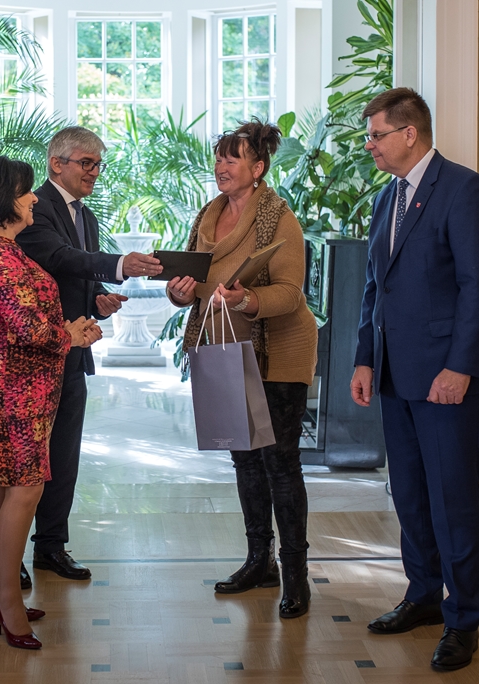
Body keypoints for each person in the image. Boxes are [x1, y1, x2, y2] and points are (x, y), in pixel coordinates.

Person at [349, 88, 479, 672]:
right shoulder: (386, 198)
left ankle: (463, 619)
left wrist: (460, 367)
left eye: (376, 135)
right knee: (410, 495)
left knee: (451, 499)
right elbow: (375, 287)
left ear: (409, 133)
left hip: (447, 377)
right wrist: (365, 359)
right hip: (395, 373)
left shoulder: (464, 190)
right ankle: (423, 596)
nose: (369, 146)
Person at [167, 120, 318, 619]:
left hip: (278, 350)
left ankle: (295, 575)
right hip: (226, 347)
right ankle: (260, 562)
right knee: (245, 459)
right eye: (218, 157)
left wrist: (247, 298)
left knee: (279, 461)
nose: (221, 166)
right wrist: (179, 292)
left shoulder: (279, 218)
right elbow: (193, 282)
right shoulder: (207, 216)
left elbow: (290, 293)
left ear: (258, 168)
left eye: (232, 158)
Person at [0, 156, 103, 650]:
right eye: (25, 191)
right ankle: (9, 603)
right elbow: (28, 330)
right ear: (3, 200)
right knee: (24, 488)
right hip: (13, 389)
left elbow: (14, 320)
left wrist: (64, 328)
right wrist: (72, 334)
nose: (33, 197)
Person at [15, 126, 163, 585]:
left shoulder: (88, 215)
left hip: (73, 354)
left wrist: (98, 297)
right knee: (25, 464)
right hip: (36, 355)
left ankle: (51, 547)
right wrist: (118, 265)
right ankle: (8, 556)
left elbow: (77, 274)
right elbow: (58, 258)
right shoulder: (34, 209)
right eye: (86, 163)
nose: (95, 172)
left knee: (63, 456)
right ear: (56, 163)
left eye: (98, 164)